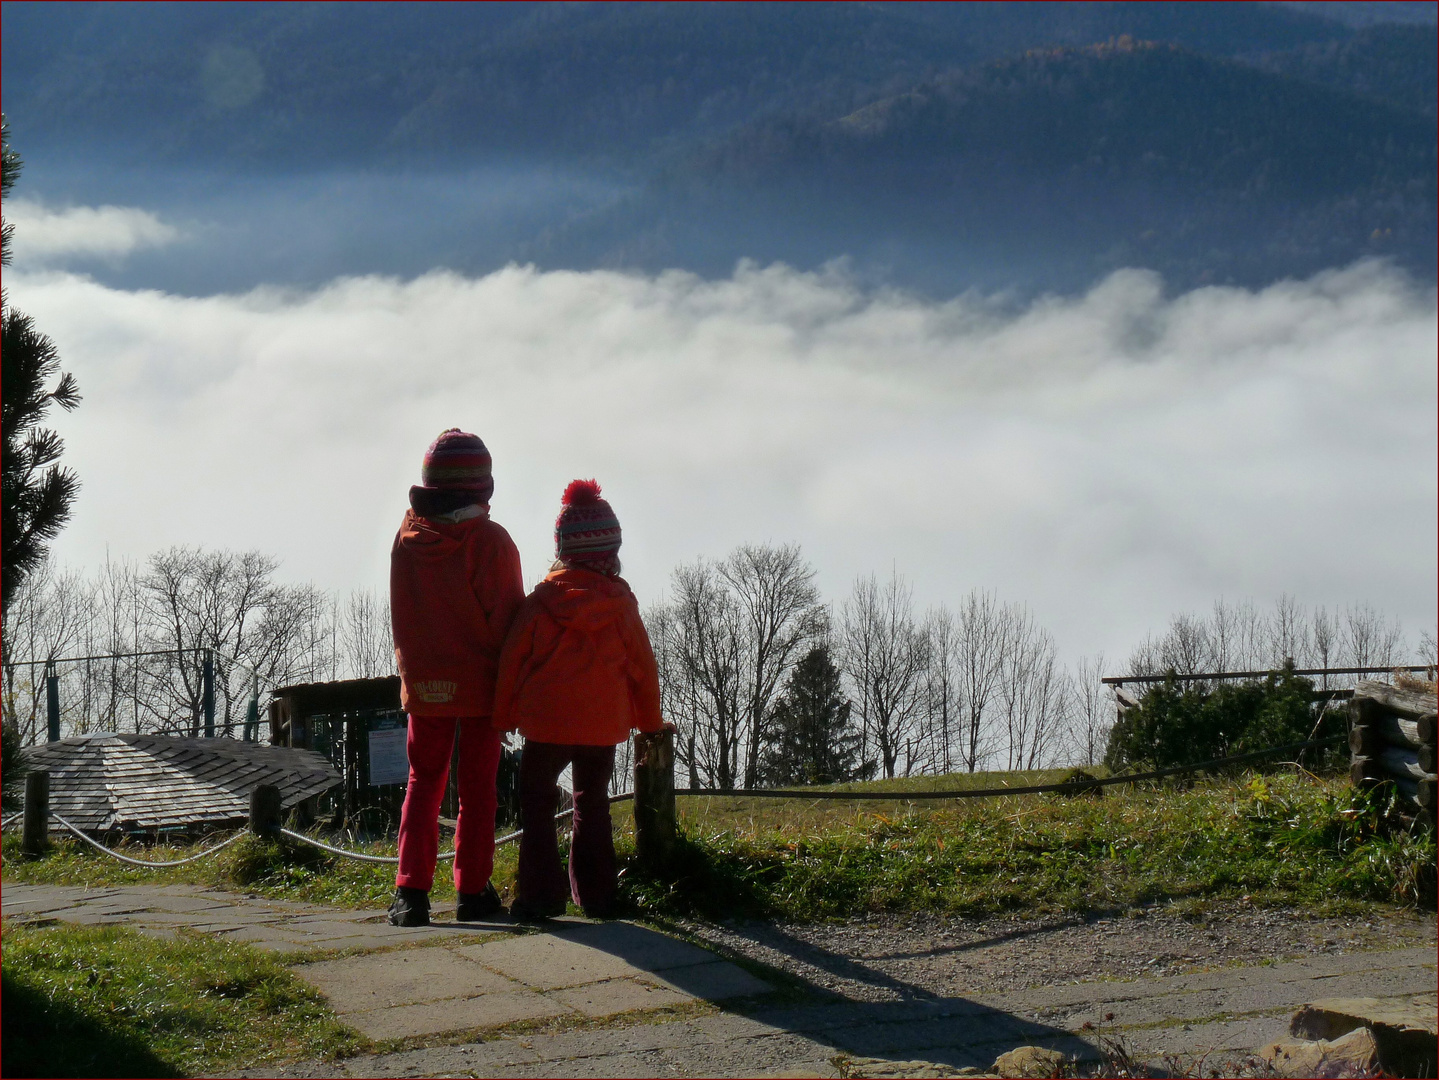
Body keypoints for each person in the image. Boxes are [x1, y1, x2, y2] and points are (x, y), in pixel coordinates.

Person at [493, 479, 663, 919]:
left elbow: (513, 658)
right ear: (612, 549)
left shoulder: (540, 602)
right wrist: (649, 722)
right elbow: (643, 666)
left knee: (536, 800)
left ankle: (540, 895)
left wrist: (503, 714)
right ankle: (598, 894)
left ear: (562, 548)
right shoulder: (622, 605)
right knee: (592, 801)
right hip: (601, 723)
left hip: (547, 723)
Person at [388, 428, 523, 926]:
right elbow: (508, 620)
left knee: (422, 783)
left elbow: (403, 613)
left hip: (425, 684)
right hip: (483, 685)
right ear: (482, 487)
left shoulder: (407, 540)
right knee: (478, 789)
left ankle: (411, 893)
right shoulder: (490, 541)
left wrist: (413, 672)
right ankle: (471, 890)